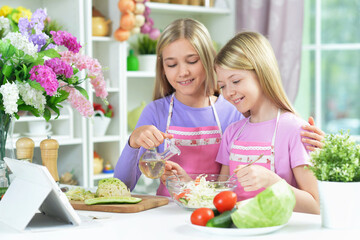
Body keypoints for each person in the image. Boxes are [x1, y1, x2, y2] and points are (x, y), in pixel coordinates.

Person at [114, 18, 323, 198]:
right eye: (171, 64)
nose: (183, 72)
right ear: (163, 68)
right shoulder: (155, 112)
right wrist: (133, 142)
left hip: (215, 212)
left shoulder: (234, 111)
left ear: (208, 60)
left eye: (192, 60)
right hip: (169, 211)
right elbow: (122, 186)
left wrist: (322, 148)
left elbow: (274, 125)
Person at [213, 31, 320, 214]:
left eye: (236, 81)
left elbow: (315, 206)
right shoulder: (232, 133)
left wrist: (273, 181)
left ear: (262, 72)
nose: (228, 92)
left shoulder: (295, 130)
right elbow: (221, 193)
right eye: (222, 86)